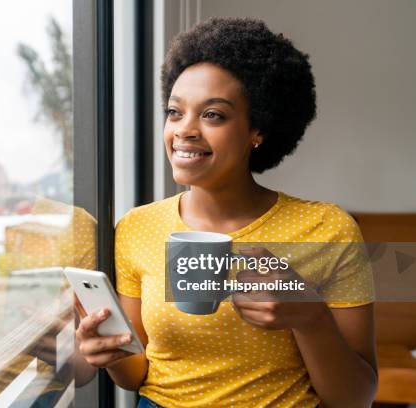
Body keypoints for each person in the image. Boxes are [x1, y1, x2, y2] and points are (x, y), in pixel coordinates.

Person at [75, 17, 377, 407]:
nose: (184, 130)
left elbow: (356, 399)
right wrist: (109, 353)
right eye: (174, 112)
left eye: (213, 114)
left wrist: (309, 317)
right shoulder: (137, 227)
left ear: (258, 131)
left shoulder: (328, 229)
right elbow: (137, 375)